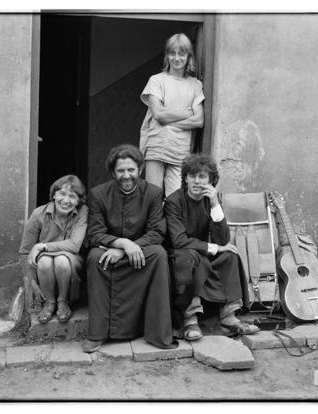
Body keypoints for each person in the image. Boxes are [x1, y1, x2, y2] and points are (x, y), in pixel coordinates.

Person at [82, 144, 177, 353]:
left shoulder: (153, 193)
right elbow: (95, 233)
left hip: (142, 251)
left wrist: (131, 247)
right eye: (121, 171)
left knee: (159, 254)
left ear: (140, 169)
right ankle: (97, 334)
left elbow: (157, 231)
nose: (126, 176)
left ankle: (156, 333)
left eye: (131, 170)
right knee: (95, 257)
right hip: (110, 249)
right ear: (113, 172)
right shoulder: (98, 194)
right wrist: (122, 243)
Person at [164, 153, 259, 340]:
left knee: (230, 255)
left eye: (202, 177)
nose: (196, 181)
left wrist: (215, 203)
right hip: (180, 254)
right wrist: (214, 248)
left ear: (211, 180)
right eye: (192, 176)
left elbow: (223, 240)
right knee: (190, 258)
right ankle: (190, 320)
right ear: (185, 178)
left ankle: (228, 318)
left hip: (203, 252)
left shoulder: (211, 199)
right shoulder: (174, 202)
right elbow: (179, 241)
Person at [139, 33, 205, 198]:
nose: (176, 58)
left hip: (180, 150)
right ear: (167, 56)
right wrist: (188, 112)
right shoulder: (156, 80)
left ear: (188, 56)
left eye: (181, 54)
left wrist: (168, 121)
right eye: (172, 53)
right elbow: (159, 114)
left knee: (175, 201)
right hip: (156, 146)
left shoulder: (195, 85)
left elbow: (199, 120)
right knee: (153, 197)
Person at [18, 175, 88, 324]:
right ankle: (49, 302)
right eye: (62, 194)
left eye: (72, 196)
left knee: (61, 260)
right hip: (44, 267)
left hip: (72, 263)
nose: (66, 200)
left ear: (79, 201)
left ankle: (63, 301)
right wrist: (32, 282)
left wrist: (42, 246)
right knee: (44, 261)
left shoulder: (83, 212)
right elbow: (25, 252)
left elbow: (74, 245)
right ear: (54, 195)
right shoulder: (38, 214)